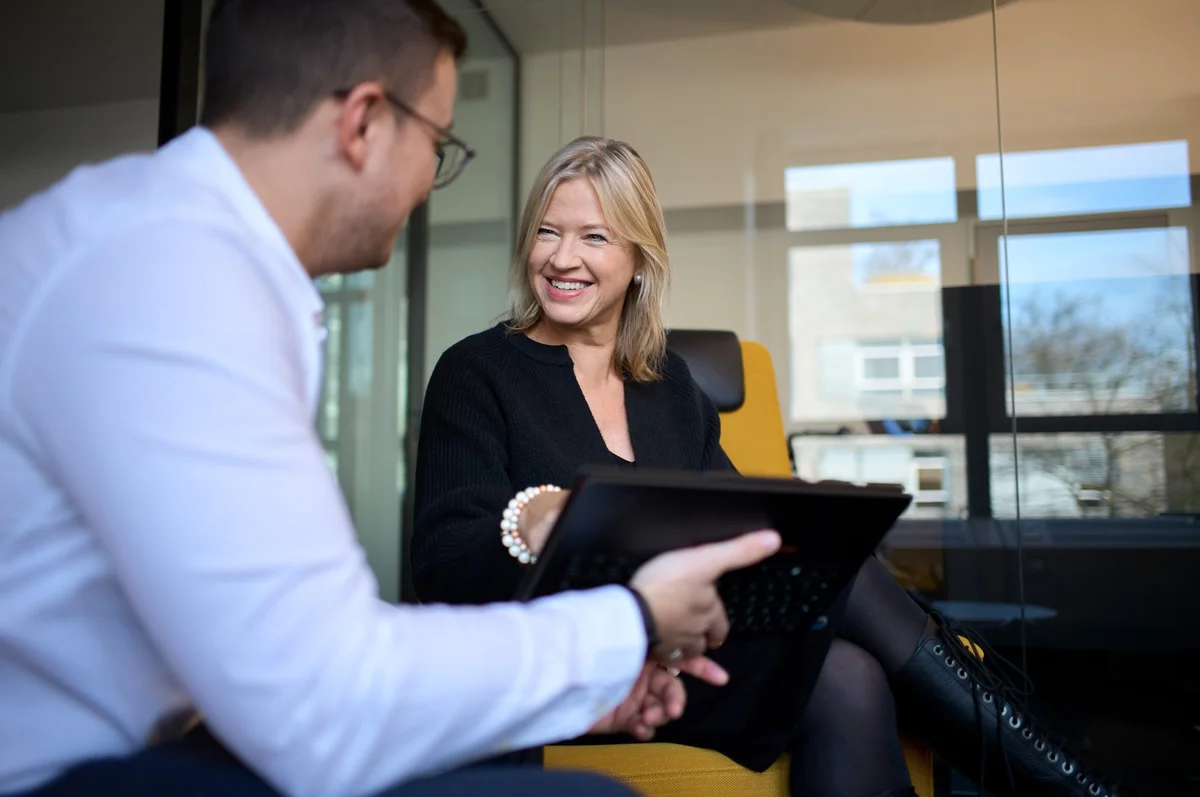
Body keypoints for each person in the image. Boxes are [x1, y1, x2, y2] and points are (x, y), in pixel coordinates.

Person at [0, 2, 787, 796]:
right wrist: (627, 627)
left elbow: (303, 653)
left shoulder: (170, 248)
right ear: (365, 123)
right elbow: (327, 694)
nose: (425, 187)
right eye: (438, 145)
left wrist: (588, 682)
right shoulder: (171, 284)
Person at [411, 136, 1137, 797]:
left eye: (594, 237)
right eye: (548, 231)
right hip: (573, 662)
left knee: (850, 671)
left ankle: (1054, 780)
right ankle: (1063, 782)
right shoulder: (477, 372)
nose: (562, 258)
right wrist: (535, 522)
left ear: (639, 260)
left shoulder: (672, 388)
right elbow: (443, 564)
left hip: (691, 652)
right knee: (854, 617)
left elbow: (742, 527)